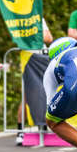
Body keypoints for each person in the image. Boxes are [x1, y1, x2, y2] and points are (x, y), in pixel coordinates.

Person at [16, 17, 53, 145]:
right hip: (28, 59)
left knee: (44, 93)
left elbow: (48, 38)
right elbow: (21, 39)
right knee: (26, 95)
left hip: (42, 57)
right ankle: (20, 130)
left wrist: (36, 35)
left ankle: (42, 127)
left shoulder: (38, 16)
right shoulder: (18, 18)